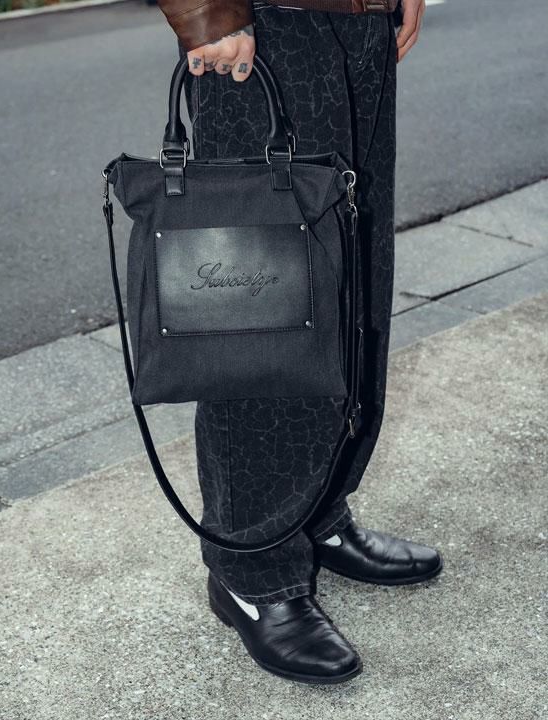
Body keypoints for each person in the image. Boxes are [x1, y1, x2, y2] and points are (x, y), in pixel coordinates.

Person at [155, 0, 442, 685]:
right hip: (264, 28)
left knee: (353, 279)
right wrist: (207, 12)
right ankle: (252, 569)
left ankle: (317, 514)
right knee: (266, 305)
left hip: (359, 22)